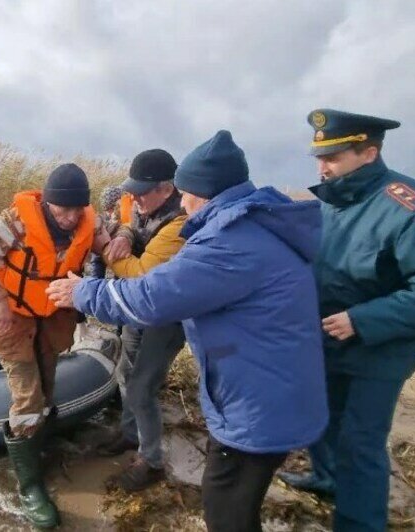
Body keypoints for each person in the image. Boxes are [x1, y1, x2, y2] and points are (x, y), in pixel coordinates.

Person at [47, 131, 328, 532]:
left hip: (258, 403)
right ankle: (135, 439)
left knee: (226, 508)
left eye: (187, 193)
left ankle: (151, 459)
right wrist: (124, 234)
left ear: (206, 193)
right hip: (263, 389)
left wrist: (83, 291)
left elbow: (153, 295)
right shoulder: (248, 225)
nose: (185, 202)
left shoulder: (229, 242)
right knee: (232, 500)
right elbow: (135, 237)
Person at [277, 109, 415, 531]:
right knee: (321, 422)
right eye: (319, 157)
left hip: (377, 352)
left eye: (333, 157)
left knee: (360, 445)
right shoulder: (332, 200)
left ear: (368, 153)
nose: (322, 166)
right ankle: (327, 479)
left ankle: (359, 522)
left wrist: (364, 319)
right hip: (327, 341)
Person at [0, 163, 111, 528]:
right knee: (28, 396)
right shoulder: (16, 223)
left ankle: (42, 444)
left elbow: (110, 234)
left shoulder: (91, 220)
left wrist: (119, 239)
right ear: (48, 204)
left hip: (52, 317)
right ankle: (28, 485)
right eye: (61, 210)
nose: (70, 218)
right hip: (15, 317)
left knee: (48, 384)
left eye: (76, 210)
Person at [93, 148, 188, 492]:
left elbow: (142, 275)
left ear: (166, 188)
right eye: (131, 189)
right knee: (124, 371)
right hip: (138, 311)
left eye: (141, 191)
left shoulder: (180, 222)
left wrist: (104, 245)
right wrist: (123, 235)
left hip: (166, 317)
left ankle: (152, 461)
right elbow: (134, 229)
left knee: (142, 387)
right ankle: (130, 434)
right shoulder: (144, 205)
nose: (134, 197)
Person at [88, 185, 124, 279]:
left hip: (119, 252)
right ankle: (94, 283)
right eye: (108, 209)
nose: (110, 212)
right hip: (101, 253)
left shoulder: (125, 215)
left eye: (113, 208)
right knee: (96, 262)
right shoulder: (102, 218)